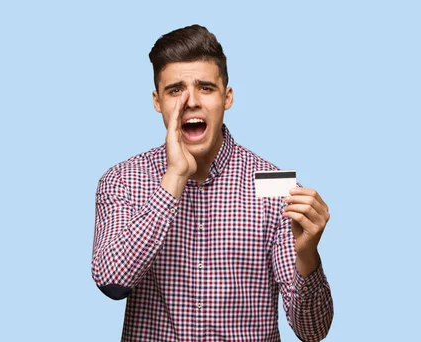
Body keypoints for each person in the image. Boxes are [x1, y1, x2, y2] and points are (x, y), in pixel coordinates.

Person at [92, 24, 333, 341]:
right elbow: (112, 282)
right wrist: (174, 177)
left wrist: (307, 256)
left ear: (227, 97)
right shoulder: (124, 179)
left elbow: (312, 331)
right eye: (175, 90)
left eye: (205, 87)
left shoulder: (274, 185)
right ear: (157, 101)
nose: (190, 101)